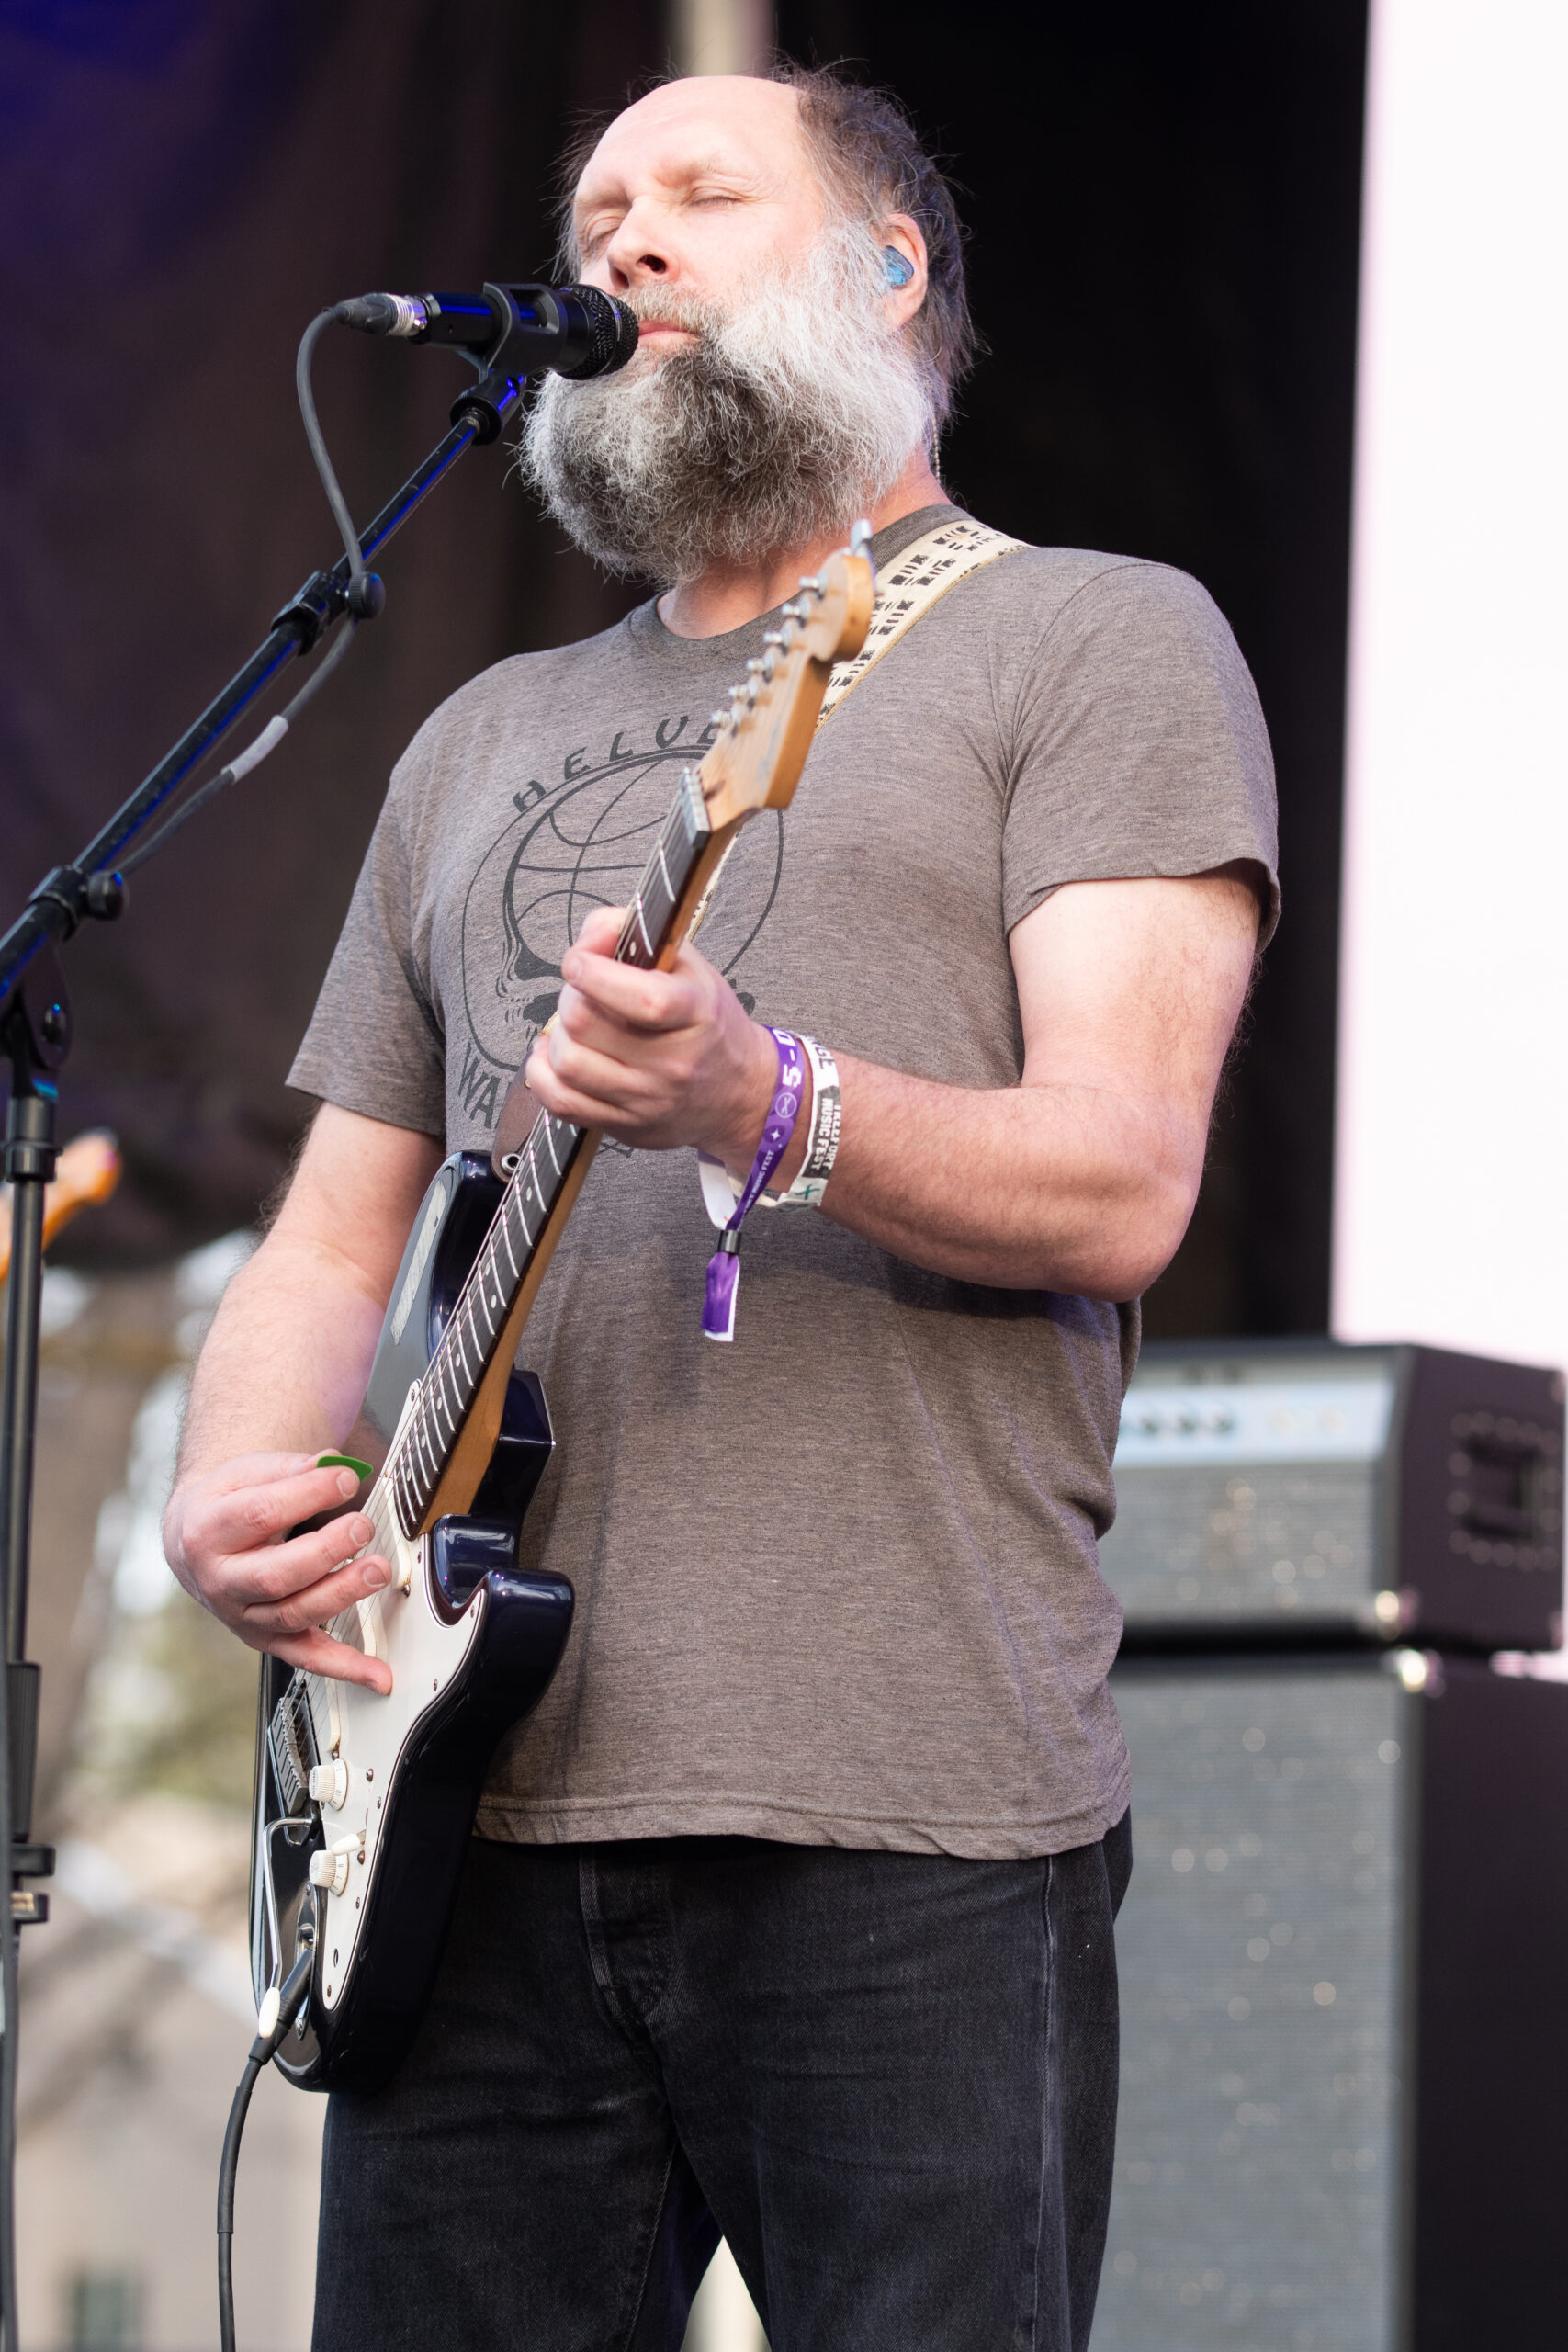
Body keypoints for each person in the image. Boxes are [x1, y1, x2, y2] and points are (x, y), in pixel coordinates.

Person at [164, 62, 1277, 2352]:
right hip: (456, 1824)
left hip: (908, 1807)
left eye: (697, 193)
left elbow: (1122, 1174)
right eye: (595, 209)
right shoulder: (474, 732)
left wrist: (756, 1093)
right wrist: (224, 1492)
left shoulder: (1088, 637)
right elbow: (329, 1239)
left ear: (883, 273)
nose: (622, 242)